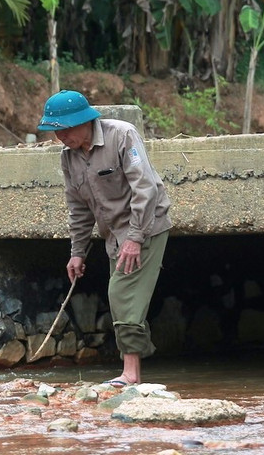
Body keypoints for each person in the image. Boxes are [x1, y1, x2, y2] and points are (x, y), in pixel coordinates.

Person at [37, 90, 172, 386]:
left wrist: (135, 237)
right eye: (55, 132)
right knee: (125, 298)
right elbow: (78, 208)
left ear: (84, 122)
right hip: (113, 235)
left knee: (121, 295)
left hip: (146, 224)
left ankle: (131, 374)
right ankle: (135, 366)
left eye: (64, 129)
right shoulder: (69, 158)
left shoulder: (122, 135)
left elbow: (145, 188)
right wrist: (77, 252)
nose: (60, 137)